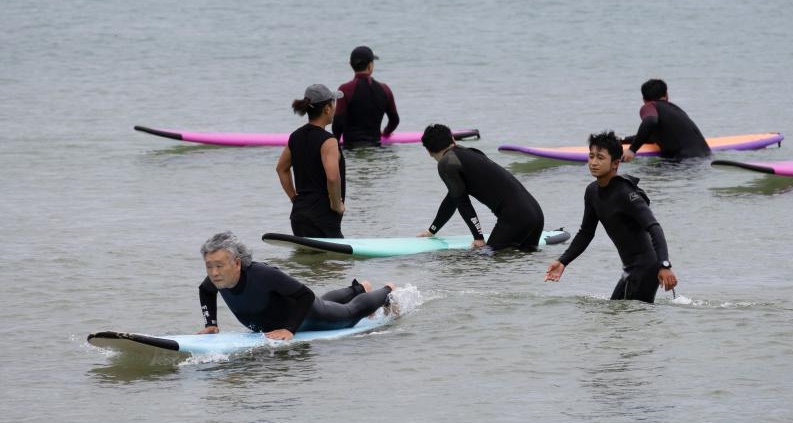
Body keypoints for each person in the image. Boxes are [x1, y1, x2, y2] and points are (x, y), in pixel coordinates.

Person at [545, 131, 678, 303]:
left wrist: (664, 265)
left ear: (615, 163)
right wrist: (563, 261)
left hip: (647, 268)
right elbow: (586, 233)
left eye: (600, 158)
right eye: (591, 156)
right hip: (630, 269)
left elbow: (654, 227)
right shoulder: (592, 191)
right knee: (614, 312)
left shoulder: (626, 193)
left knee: (629, 317)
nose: (594, 162)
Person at [197, 231, 397, 340]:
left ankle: (387, 291)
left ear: (237, 263)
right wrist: (211, 324)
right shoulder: (218, 279)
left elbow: (305, 295)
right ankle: (359, 288)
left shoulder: (263, 275)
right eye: (209, 266)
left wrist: (289, 330)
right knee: (324, 302)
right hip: (297, 311)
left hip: (310, 316)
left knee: (350, 314)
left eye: (219, 265)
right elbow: (205, 291)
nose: (214, 273)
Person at [418, 123, 545, 251]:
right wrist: (432, 230)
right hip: (536, 214)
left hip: (516, 217)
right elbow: (452, 200)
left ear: (429, 151)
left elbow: (463, 203)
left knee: (486, 257)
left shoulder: (446, 163)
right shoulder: (473, 153)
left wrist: (478, 238)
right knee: (524, 260)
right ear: (453, 139)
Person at [276, 84, 346, 238]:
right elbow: (332, 177)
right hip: (323, 216)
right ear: (327, 108)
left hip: (299, 215)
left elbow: (281, 169)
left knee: (307, 254)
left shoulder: (295, 136)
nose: (335, 107)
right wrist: (336, 205)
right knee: (332, 254)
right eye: (333, 103)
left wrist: (295, 199)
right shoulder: (328, 141)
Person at [622, 78, 710, 161]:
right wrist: (622, 140)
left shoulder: (649, 106)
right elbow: (649, 136)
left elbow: (650, 121)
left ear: (644, 99)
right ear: (666, 95)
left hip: (683, 162)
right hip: (706, 157)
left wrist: (632, 150)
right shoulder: (677, 111)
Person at [331, 45, 400, 148]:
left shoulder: (344, 90)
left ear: (351, 65)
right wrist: (386, 132)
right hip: (376, 147)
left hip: (351, 148)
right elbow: (394, 120)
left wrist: (335, 144)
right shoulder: (385, 89)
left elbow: (338, 123)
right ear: (370, 65)